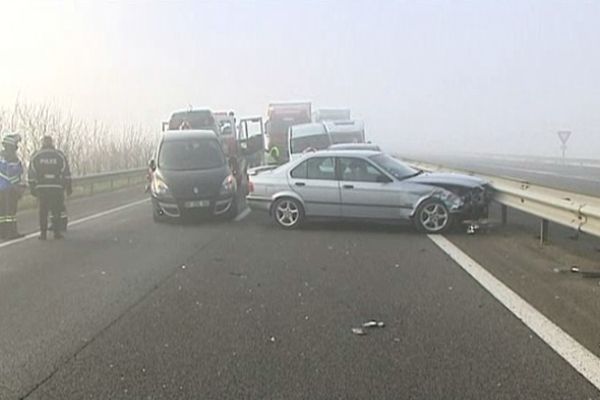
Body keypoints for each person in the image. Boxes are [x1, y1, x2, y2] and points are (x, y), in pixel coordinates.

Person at [28, 136, 72, 240]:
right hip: (56, 187)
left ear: (42, 143)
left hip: (42, 187)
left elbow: (31, 173)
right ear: (52, 143)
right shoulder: (59, 155)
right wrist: (68, 186)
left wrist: (32, 187)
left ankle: (43, 234)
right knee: (56, 210)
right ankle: (57, 233)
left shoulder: (36, 155)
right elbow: (66, 172)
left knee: (43, 211)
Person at [0, 133, 25, 240]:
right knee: (10, 213)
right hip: (9, 189)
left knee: (2, 213)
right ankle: (12, 233)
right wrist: (18, 186)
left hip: (1, 188)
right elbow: (14, 172)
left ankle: (2, 233)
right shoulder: (12, 157)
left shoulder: (1, 155)